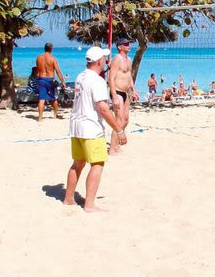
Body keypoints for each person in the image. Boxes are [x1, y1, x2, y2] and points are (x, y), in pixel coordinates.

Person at [64, 47, 125, 212]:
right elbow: (103, 109)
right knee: (97, 164)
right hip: (91, 127)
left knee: (77, 163)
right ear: (99, 61)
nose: (106, 61)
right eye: (104, 59)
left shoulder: (80, 77)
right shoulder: (97, 81)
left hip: (76, 125)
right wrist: (119, 130)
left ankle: (69, 199)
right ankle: (89, 204)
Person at [108, 38, 139, 155]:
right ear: (120, 47)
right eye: (126, 44)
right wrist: (114, 96)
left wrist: (134, 90)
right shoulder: (117, 59)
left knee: (125, 120)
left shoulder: (129, 60)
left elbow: (129, 76)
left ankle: (116, 144)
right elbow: (111, 78)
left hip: (125, 92)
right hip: (117, 91)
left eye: (129, 43)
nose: (129, 45)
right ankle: (112, 148)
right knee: (119, 120)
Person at [35, 43, 66, 121]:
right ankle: (55, 115)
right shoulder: (53, 59)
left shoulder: (38, 58)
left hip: (41, 79)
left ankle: (40, 118)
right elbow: (58, 71)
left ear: (44, 48)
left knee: (41, 99)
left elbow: (37, 70)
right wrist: (62, 81)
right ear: (51, 49)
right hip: (50, 80)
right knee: (54, 98)